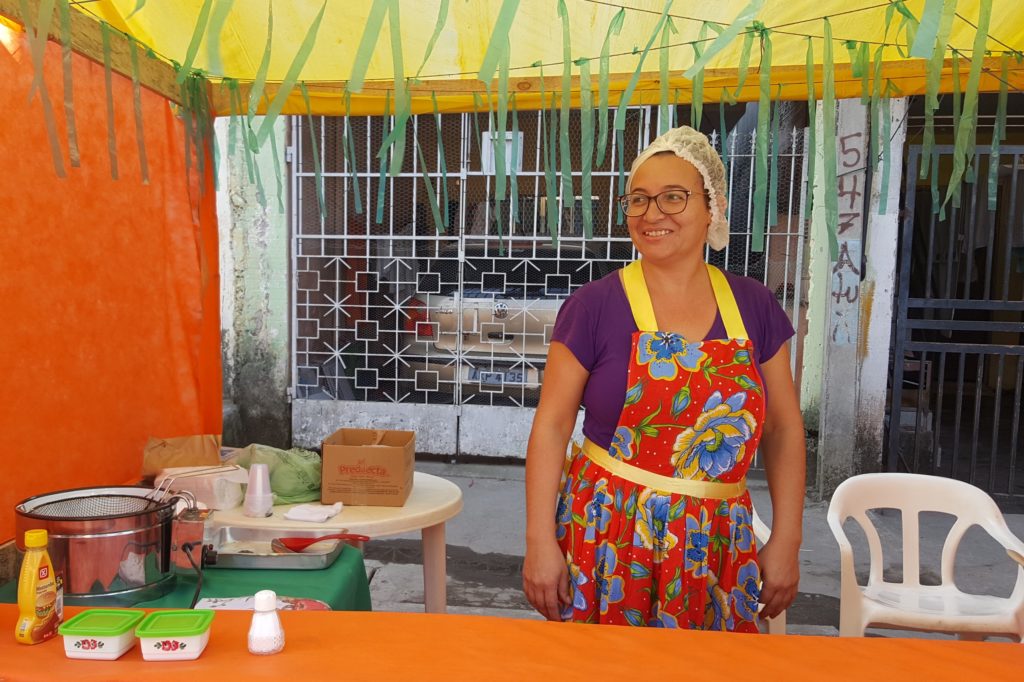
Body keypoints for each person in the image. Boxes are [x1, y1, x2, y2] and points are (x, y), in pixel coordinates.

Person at [523, 126, 805, 631]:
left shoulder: (754, 306)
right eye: (638, 200)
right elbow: (551, 425)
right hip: (606, 536)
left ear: (711, 206)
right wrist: (539, 541)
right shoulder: (593, 306)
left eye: (673, 197)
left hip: (715, 543)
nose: (653, 214)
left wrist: (787, 539)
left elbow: (783, 429)